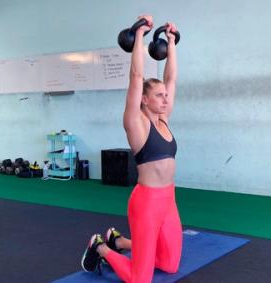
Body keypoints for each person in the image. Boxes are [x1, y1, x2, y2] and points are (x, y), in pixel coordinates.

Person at [81, 15, 182, 283]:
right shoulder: (135, 124)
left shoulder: (164, 119)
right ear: (145, 100)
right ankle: (100, 246)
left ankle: (120, 241)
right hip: (146, 204)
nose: (165, 98)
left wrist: (171, 43)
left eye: (165, 95)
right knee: (141, 279)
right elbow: (136, 76)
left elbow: (171, 78)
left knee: (170, 265)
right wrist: (139, 35)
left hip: (169, 201)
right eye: (159, 96)